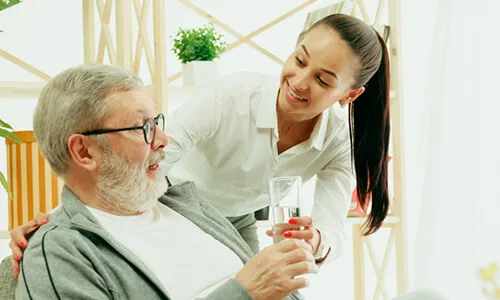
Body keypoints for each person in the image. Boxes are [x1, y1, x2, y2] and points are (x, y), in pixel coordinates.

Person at [10, 13, 390, 269]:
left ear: (349, 95)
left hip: (238, 221)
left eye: (324, 80)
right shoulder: (230, 98)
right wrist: (55, 222)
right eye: (299, 60)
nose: (300, 81)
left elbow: (332, 227)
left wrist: (317, 239)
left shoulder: (338, 141)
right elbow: (153, 156)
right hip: (173, 201)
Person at [14, 64, 315, 300]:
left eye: (156, 122)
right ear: (84, 151)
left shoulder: (190, 207)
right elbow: (254, 289)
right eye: (142, 127)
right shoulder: (61, 253)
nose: (162, 140)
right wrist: (244, 293)